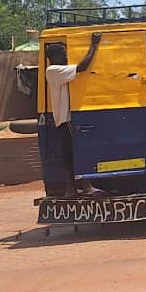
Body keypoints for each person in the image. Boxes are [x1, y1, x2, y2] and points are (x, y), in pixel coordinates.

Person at [44, 33, 103, 196]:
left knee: (72, 153)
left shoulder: (58, 71)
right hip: (66, 119)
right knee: (73, 153)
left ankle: (77, 187)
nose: (65, 56)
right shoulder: (53, 70)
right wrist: (94, 45)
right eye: (63, 54)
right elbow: (83, 67)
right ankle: (80, 186)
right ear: (54, 56)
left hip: (68, 118)